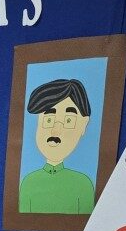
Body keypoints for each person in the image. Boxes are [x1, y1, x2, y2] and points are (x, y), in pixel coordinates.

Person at [19, 78, 95, 215]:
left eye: (68, 120)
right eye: (49, 119)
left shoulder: (83, 185)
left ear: (83, 124)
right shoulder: (27, 183)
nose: (55, 131)